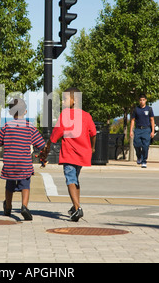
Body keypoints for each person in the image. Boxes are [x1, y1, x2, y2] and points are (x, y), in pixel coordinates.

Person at [40, 87, 96, 222]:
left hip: (70, 154)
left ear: (75, 100)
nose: (63, 102)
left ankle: (77, 208)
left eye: (65, 99)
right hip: (82, 154)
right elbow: (93, 133)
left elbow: (55, 135)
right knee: (75, 180)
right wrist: (92, 148)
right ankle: (74, 206)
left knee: (70, 180)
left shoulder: (65, 115)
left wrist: (46, 148)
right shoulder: (87, 116)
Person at [0, 98, 45, 221]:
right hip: (24, 163)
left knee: (9, 186)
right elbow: (41, 144)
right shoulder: (30, 127)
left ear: (11, 112)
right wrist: (43, 156)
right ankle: (24, 206)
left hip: (9, 163)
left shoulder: (7, 126)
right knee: (25, 185)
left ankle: (8, 206)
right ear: (25, 111)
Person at [130, 94, 155, 168]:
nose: (142, 101)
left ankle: (144, 161)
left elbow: (152, 120)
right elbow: (133, 120)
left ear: (146, 100)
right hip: (138, 129)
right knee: (136, 144)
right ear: (139, 101)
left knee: (145, 146)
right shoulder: (136, 109)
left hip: (146, 129)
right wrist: (131, 130)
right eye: (140, 100)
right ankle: (139, 157)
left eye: (143, 100)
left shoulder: (149, 109)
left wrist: (152, 131)